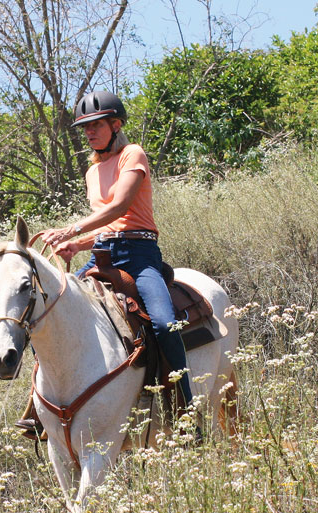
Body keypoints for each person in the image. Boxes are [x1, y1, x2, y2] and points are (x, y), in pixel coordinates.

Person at [16, 90, 193, 439]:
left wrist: (73, 228)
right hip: (103, 254)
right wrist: (73, 244)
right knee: (50, 311)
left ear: (116, 124)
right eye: (85, 128)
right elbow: (106, 228)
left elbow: (121, 207)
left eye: (96, 125)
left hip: (140, 256)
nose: (89, 133)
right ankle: (38, 410)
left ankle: (186, 410)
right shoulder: (92, 172)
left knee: (163, 322)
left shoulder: (132, 155)